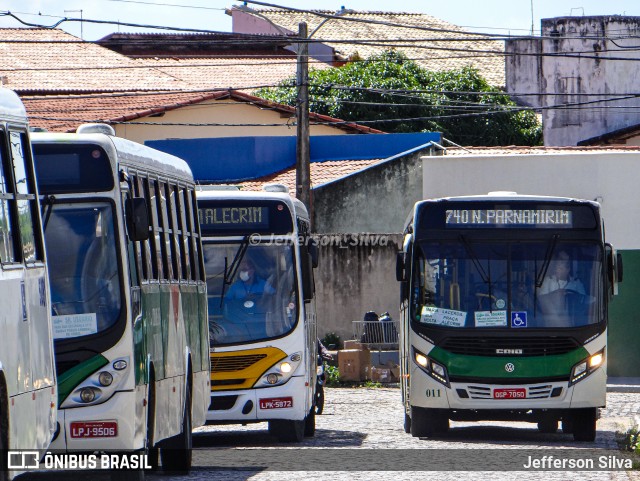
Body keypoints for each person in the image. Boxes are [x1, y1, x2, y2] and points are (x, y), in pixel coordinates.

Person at [538, 250, 585, 321]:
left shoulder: (576, 283)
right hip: (551, 318)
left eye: (560, 268)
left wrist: (572, 296)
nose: (557, 270)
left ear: (568, 270)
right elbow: (541, 300)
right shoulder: (548, 281)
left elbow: (584, 300)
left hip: (572, 318)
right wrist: (554, 294)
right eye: (556, 268)